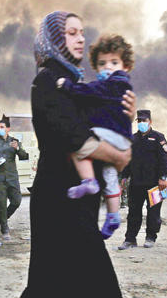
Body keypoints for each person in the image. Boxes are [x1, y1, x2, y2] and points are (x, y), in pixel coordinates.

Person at [0, 11, 155, 298]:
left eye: (83, 32)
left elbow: (104, 130)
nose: (82, 40)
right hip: (60, 199)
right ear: (53, 40)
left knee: (54, 283)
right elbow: (70, 135)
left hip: (76, 199)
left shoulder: (79, 85)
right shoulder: (47, 82)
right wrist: (117, 152)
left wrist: (125, 120)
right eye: (72, 33)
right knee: (98, 291)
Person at [56, 33, 134, 238]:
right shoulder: (121, 85)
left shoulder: (114, 83)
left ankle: (89, 181)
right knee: (110, 177)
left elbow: (90, 91)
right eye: (102, 63)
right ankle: (113, 216)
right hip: (120, 138)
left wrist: (66, 86)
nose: (108, 66)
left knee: (79, 144)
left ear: (125, 66)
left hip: (110, 134)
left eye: (114, 62)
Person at [117, 110, 167, 249]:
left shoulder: (158, 138)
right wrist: (123, 177)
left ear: (150, 122)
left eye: (144, 121)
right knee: (133, 212)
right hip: (136, 183)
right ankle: (130, 239)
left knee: (153, 213)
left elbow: (164, 160)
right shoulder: (132, 139)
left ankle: (151, 237)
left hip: (155, 184)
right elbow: (127, 160)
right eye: (139, 121)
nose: (141, 123)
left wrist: (163, 178)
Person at [0, 116, 28, 239]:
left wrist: (17, 148)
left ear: (8, 129)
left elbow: (24, 156)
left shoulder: (14, 141)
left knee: (16, 201)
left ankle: (2, 216)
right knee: (1, 203)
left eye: (2, 127)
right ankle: (4, 228)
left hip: (12, 177)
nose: (0, 129)